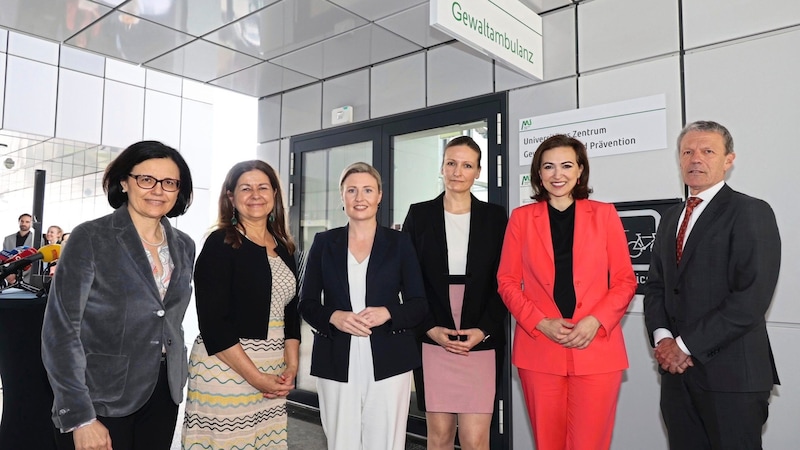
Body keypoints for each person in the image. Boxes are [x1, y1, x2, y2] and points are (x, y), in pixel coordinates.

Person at [41, 140, 195, 450]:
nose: (158, 190)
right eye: (146, 179)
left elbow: (170, 318)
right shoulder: (91, 237)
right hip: (101, 396)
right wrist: (81, 417)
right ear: (124, 181)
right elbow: (61, 331)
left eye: (169, 182)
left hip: (163, 391)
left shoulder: (184, 245)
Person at [643, 121, 781, 450]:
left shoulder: (751, 211)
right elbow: (657, 287)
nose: (695, 159)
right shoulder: (672, 217)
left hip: (732, 378)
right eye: (687, 151)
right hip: (677, 379)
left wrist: (684, 346)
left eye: (707, 151)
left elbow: (750, 298)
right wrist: (663, 340)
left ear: (728, 160)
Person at [497, 134, 636, 450]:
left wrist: (596, 320)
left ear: (579, 170)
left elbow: (625, 281)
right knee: (548, 443)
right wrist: (540, 322)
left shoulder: (604, 215)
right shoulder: (521, 219)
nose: (557, 174)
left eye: (566, 166)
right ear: (539, 174)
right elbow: (506, 282)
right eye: (548, 167)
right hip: (540, 347)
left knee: (590, 443)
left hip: (596, 347)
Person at [299, 162, 428, 450]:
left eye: (367, 190)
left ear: (379, 195)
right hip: (336, 357)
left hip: (389, 359)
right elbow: (306, 303)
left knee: (385, 442)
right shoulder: (323, 243)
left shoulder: (400, 243)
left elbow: (419, 305)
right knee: (341, 441)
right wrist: (334, 316)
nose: (360, 198)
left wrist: (388, 313)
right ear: (342, 197)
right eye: (352, 190)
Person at [182, 160, 300, 450]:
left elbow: (290, 312)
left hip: (272, 372)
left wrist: (292, 366)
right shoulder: (220, 243)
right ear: (231, 197)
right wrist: (256, 378)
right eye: (245, 188)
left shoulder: (283, 246)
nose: (255, 194)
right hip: (227, 371)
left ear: (274, 194)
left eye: (262, 187)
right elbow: (213, 323)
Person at [402, 136, 507, 450]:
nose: (457, 171)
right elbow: (407, 278)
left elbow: (506, 280)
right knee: (440, 436)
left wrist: (485, 329)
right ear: (442, 167)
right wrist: (429, 328)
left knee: (476, 440)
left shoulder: (495, 217)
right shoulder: (419, 215)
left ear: (477, 172)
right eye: (451, 163)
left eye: (466, 165)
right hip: (433, 329)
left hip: (481, 332)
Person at [3, 213, 34, 284]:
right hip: (9, 275)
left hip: (28, 276)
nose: (24, 223)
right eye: (22, 221)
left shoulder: (37, 239)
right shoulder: (8, 239)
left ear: (31, 224)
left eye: (27, 222)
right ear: (19, 222)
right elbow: (5, 257)